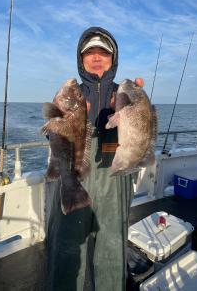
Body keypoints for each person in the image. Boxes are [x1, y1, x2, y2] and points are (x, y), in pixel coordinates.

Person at [46, 26, 144, 291]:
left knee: (112, 250)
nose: (97, 57)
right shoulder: (71, 93)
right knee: (66, 250)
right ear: (81, 59)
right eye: (90, 52)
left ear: (114, 58)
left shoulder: (126, 92)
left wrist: (134, 110)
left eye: (104, 52)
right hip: (76, 172)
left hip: (114, 173)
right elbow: (52, 136)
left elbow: (140, 135)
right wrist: (59, 118)